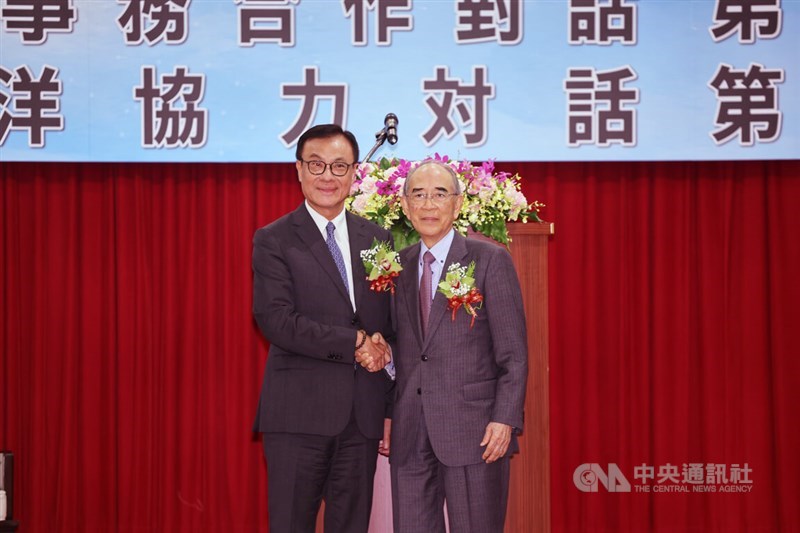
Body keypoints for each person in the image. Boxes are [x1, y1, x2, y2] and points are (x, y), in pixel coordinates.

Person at [252, 124, 394, 533]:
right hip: (298, 415)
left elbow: (387, 326)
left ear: (354, 173)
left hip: (362, 418)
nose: (327, 176)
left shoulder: (377, 238)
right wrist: (354, 342)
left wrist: (388, 401)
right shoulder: (274, 239)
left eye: (339, 166)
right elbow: (276, 320)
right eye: (316, 165)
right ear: (298, 170)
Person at [389, 160, 528, 532]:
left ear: (458, 203)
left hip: (475, 431)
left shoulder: (490, 260)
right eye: (418, 195)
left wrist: (505, 419)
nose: (429, 205)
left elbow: (513, 354)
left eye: (439, 195)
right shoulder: (397, 268)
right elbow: (400, 348)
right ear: (404, 205)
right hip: (411, 431)